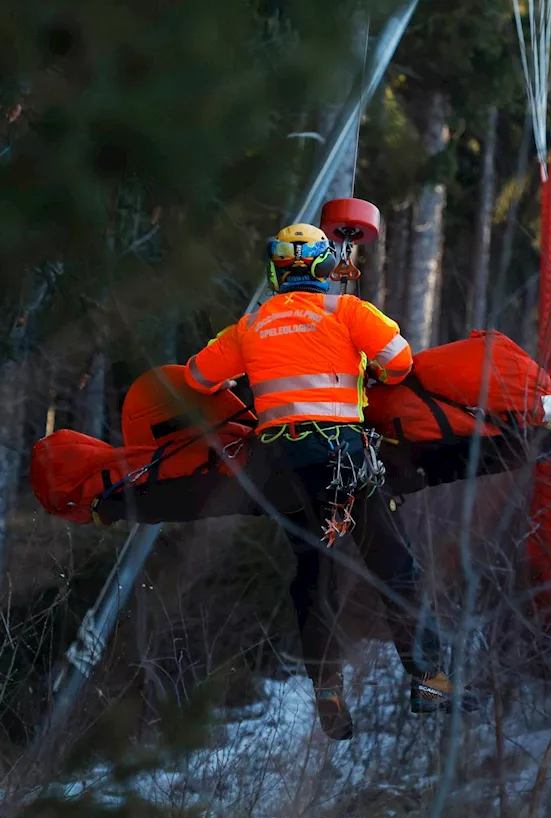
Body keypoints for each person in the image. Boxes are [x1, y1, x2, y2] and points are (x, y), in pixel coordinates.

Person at [184, 222, 459, 740]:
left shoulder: (251, 325)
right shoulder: (347, 311)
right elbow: (399, 365)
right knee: (394, 567)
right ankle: (428, 681)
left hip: (283, 467)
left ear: (277, 269)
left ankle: (328, 692)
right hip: (344, 457)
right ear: (322, 267)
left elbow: (198, 378)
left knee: (314, 575)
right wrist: (358, 366)